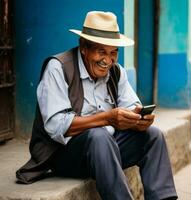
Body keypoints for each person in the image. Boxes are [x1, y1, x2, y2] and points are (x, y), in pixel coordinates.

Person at [16, 11, 178, 200]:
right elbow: (56, 125)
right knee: (98, 135)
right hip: (63, 156)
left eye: (113, 52)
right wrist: (107, 118)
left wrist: (138, 119)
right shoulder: (58, 67)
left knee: (153, 135)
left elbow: (132, 105)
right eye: (101, 51)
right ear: (84, 47)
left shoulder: (116, 72)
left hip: (107, 152)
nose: (108, 61)